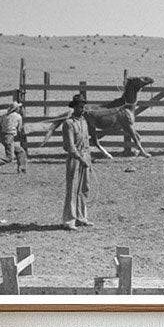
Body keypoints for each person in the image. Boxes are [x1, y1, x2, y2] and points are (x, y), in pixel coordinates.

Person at [61, 94, 93, 230]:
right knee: (72, 189)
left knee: (84, 188)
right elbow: (70, 145)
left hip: (86, 157)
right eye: (80, 107)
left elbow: (86, 140)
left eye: (83, 106)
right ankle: (69, 220)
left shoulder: (84, 121)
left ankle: (81, 217)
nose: (83, 109)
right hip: (75, 159)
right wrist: (80, 158)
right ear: (74, 107)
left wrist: (87, 159)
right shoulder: (68, 123)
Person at [0, 100, 27, 173]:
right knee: (10, 158)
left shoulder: (4, 116)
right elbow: (19, 129)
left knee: (20, 151)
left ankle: (21, 168)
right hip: (9, 137)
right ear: (16, 109)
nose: (19, 108)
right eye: (18, 107)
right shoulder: (18, 117)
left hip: (3, 137)